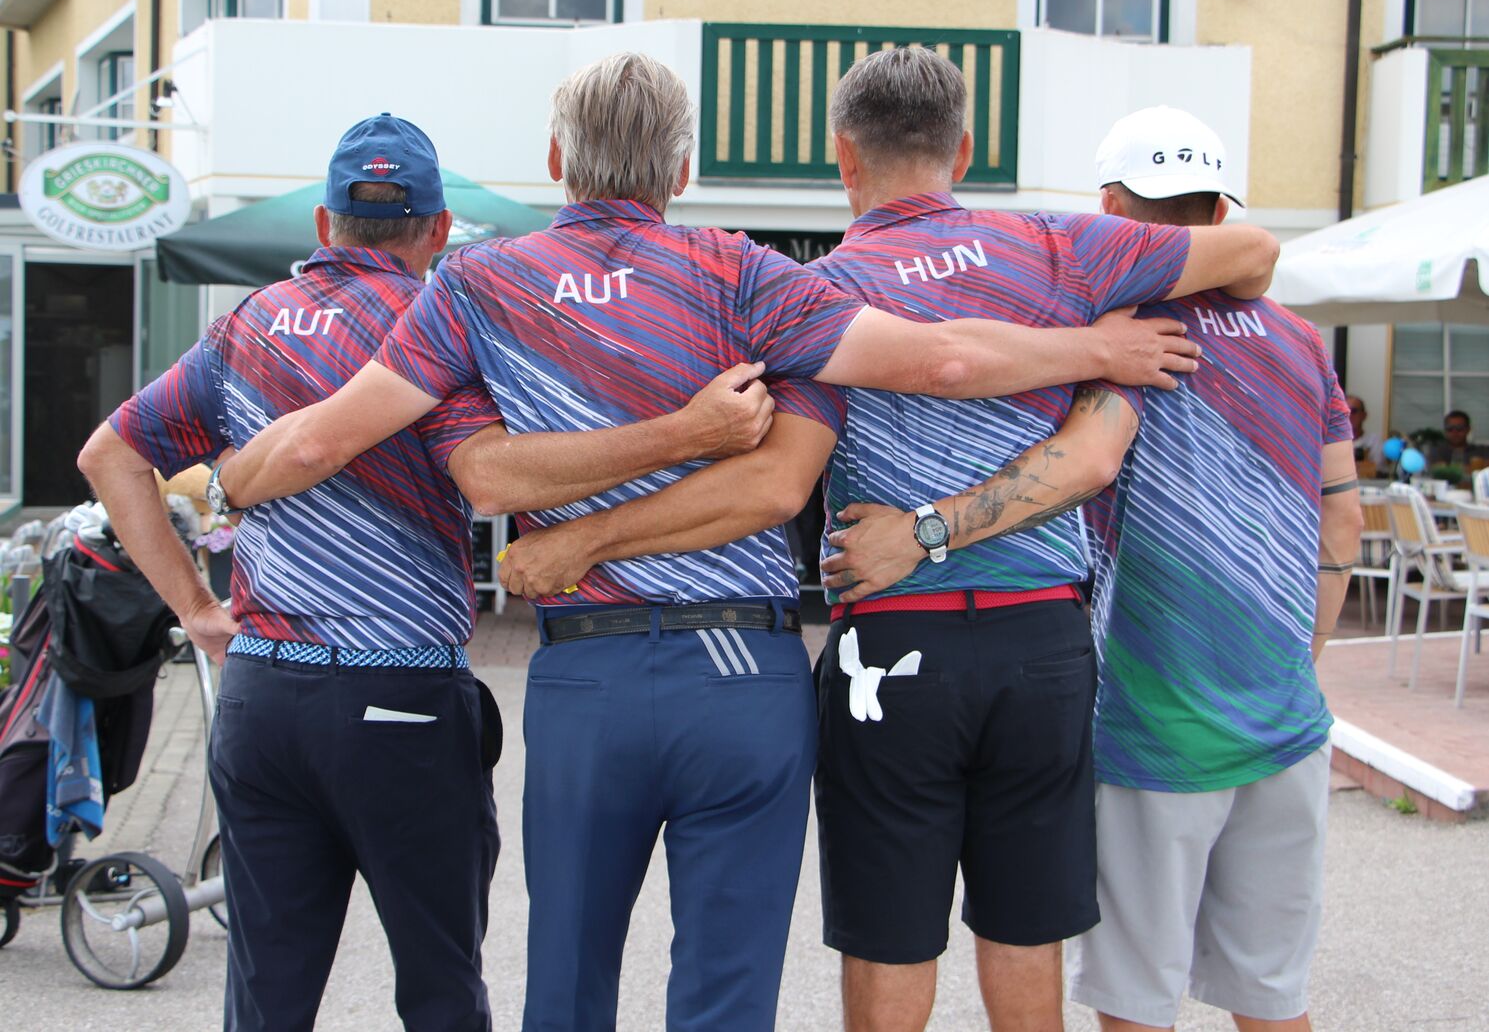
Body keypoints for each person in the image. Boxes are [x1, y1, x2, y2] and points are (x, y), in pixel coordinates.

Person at [206, 52, 1272, 1032]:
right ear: (683, 167)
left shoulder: (477, 286)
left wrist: (225, 482)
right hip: (756, 671)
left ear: (555, 161)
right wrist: (1091, 349)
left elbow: (368, 451)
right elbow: (919, 378)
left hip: (593, 671)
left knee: (567, 984)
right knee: (738, 994)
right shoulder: (749, 276)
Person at [74, 113, 773, 1032]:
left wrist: (197, 608)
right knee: (441, 992)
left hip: (261, 698)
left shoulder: (243, 327)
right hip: (399, 697)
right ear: (440, 229)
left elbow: (108, 456)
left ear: (324, 223)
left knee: (266, 998)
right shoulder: (436, 325)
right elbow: (495, 476)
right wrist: (684, 433)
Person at [821, 103, 1362, 1032]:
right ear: (1219, 209)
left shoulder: (1126, 323)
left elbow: (1086, 460)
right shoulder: (1303, 343)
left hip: (1152, 724)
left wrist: (922, 533)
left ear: (1112, 206)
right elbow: (1341, 520)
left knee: (1127, 1000)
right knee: (1271, 998)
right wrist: (1295, 663)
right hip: (1280, 717)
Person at [1347, 394, 1384, 475]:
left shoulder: (1374, 441)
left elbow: (1377, 469)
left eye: (1353, 411)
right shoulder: (1330, 441)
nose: (1349, 415)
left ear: (1364, 415)